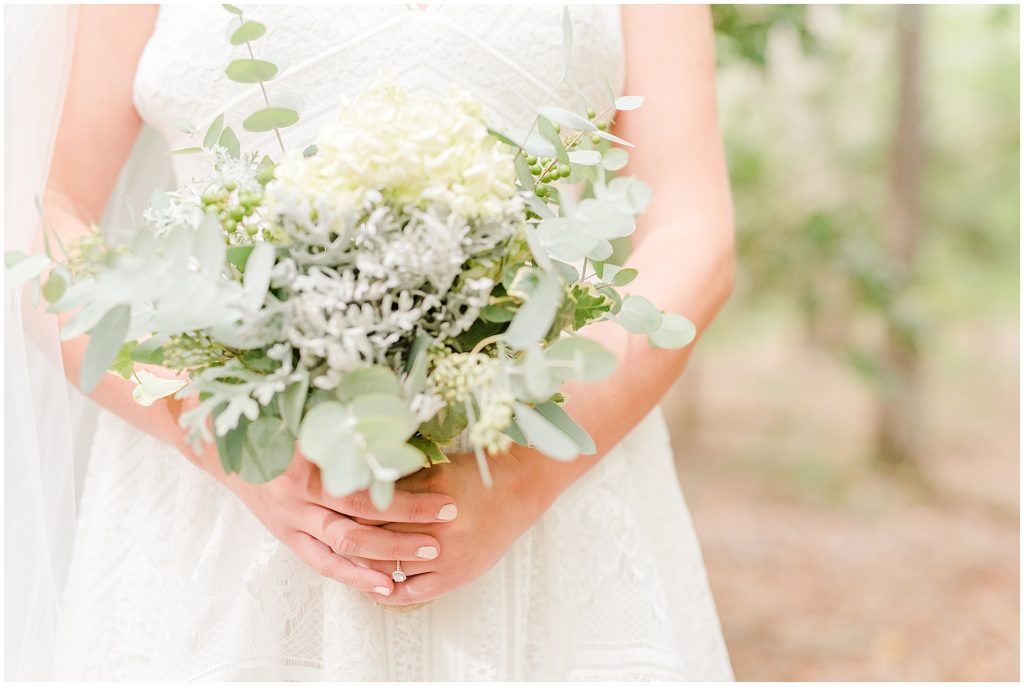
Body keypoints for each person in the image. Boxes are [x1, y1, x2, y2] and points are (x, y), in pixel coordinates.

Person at [28, 3, 735, 680]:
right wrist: (223, 437)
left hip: (546, 462)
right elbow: (42, 212)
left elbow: (690, 228)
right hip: (222, 499)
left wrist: (523, 479)